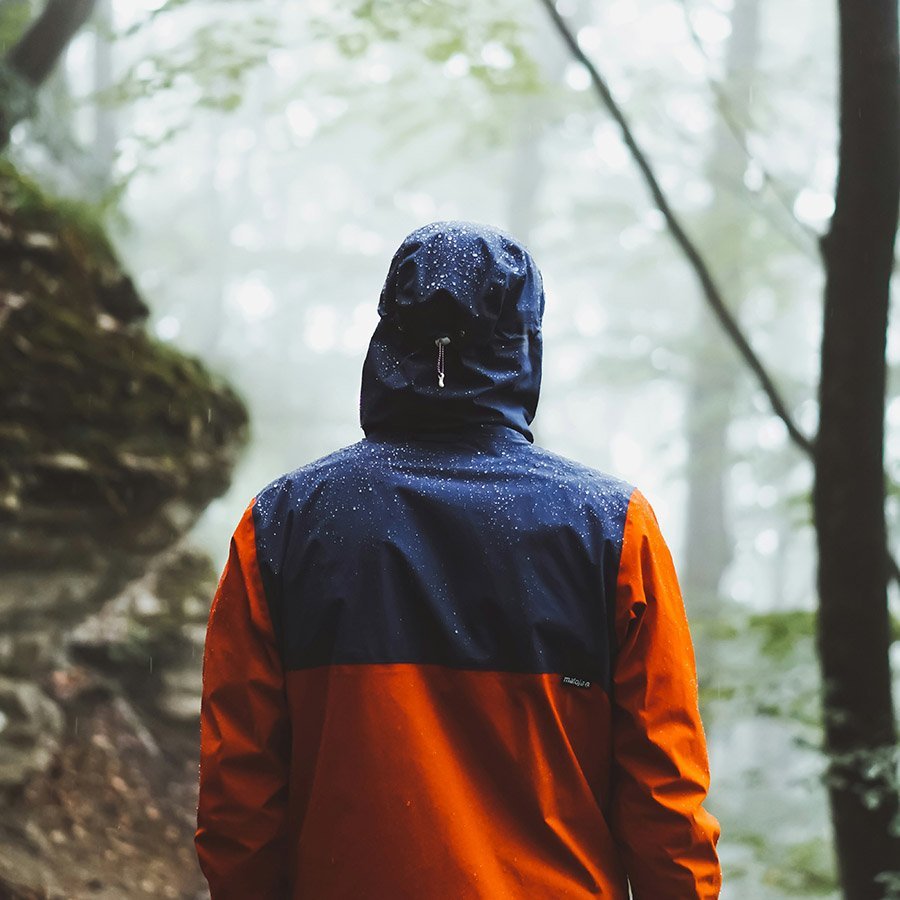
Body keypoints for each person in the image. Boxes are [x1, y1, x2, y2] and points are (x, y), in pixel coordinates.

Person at [195, 221, 721, 899]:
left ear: (387, 339)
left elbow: (238, 798)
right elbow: (665, 799)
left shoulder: (282, 525)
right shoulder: (613, 532)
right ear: (525, 345)